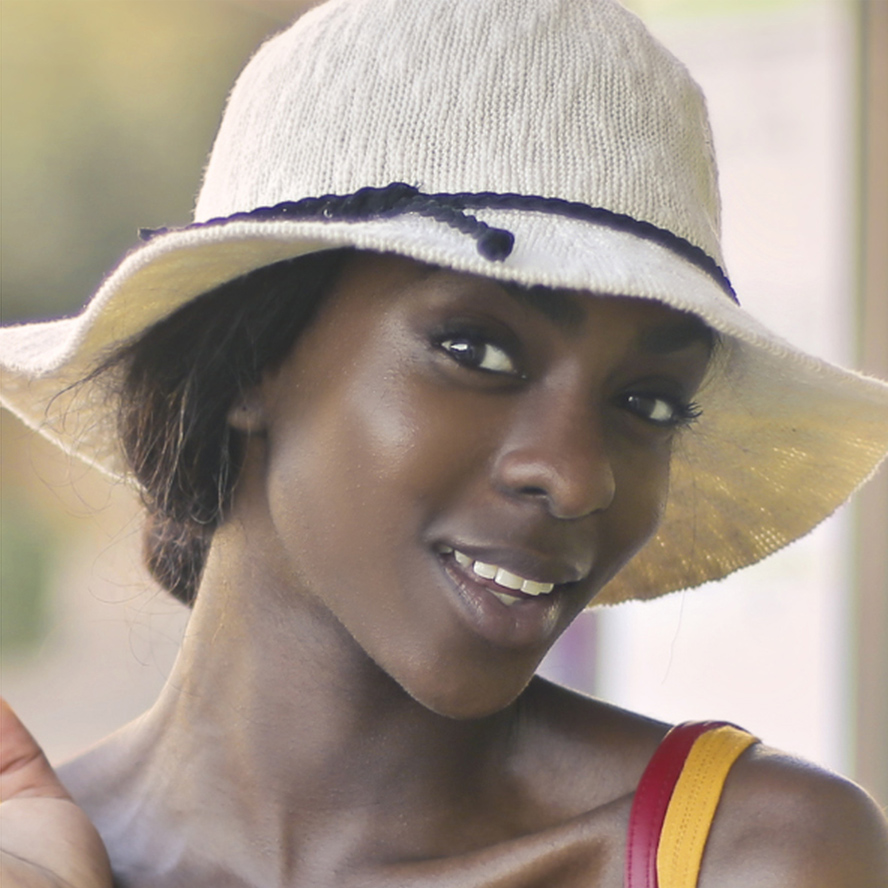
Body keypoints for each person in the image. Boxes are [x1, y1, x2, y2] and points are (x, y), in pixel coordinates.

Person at [1, 0, 887, 885]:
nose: (578, 480)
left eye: (650, 403)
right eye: (478, 351)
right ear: (248, 361)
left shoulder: (746, 853)